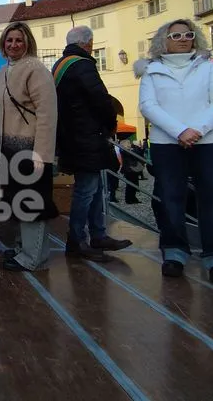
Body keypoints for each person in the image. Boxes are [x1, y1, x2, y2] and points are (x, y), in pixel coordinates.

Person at [135, 18, 213, 286]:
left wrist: (197, 130)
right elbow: (148, 106)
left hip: (208, 141)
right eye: (176, 35)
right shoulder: (152, 70)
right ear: (163, 41)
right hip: (167, 143)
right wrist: (180, 131)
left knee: (212, 198)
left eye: (188, 35)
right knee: (170, 198)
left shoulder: (208, 67)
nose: (183, 39)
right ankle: (174, 253)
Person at [0, 21, 59, 271]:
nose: (13, 45)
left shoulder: (36, 69)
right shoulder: (4, 71)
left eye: (19, 40)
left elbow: (47, 114)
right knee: (19, 200)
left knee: (33, 203)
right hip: (9, 149)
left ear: (28, 43)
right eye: (9, 40)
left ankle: (34, 258)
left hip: (30, 148)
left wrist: (42, 154)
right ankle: (23, 249)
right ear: (3, 43)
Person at [53, 25, 131, 261]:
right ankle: (77, 240)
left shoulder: (59, 66)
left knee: (94, 189)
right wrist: (110, 124)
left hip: (71, 137)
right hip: (86, 137)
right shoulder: (83, 64)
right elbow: (101, 99)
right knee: (86, 190)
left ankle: (98, 235)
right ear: (88, 44)